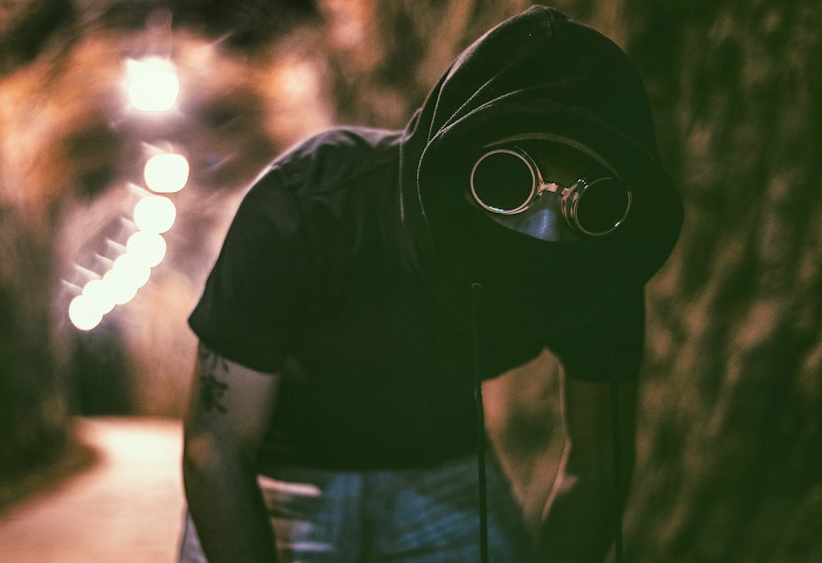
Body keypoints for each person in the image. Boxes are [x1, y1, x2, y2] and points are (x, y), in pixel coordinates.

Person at [179, 5, 683, 563]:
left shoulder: (594, 264)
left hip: (446, 468)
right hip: (284, 473)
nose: (542, 227)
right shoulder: (309, 208)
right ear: (453, 165)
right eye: (508, 180)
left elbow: (599, 458)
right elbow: (216, 449)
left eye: (585, 203)